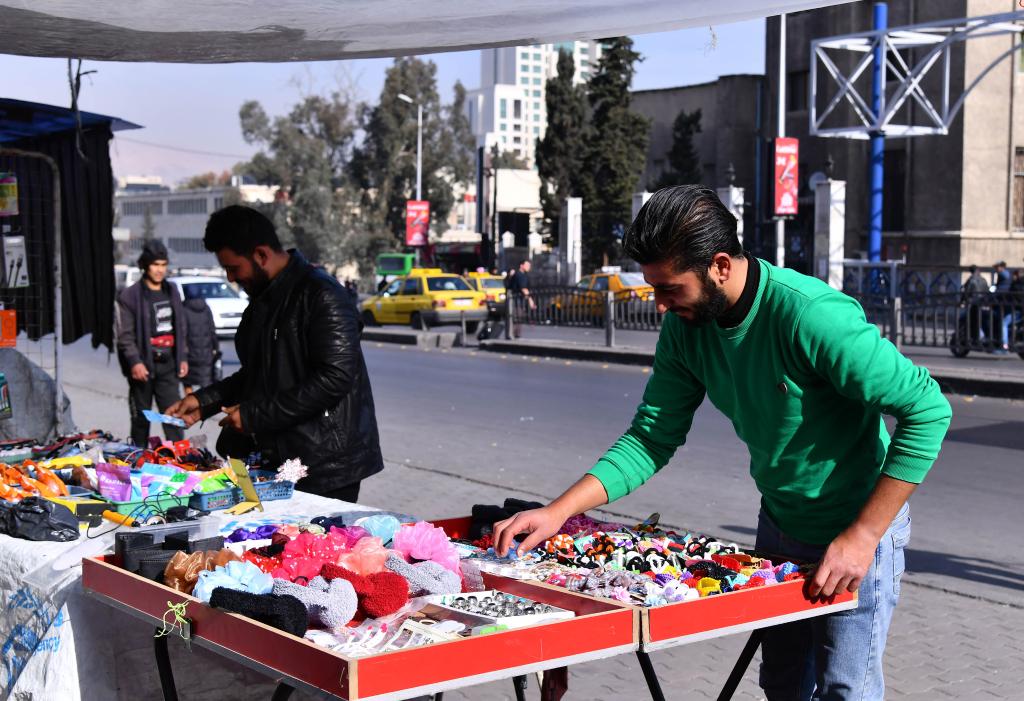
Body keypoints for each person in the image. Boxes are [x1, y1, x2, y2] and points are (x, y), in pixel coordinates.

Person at [493, 186, 952, 700]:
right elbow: (651, 437)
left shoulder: (811, 316)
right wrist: (558, 512)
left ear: (719, 266)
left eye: (670, 289)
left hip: (859, 529)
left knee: (847, 689)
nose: (662, 306)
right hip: (780, 527)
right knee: (782, 685)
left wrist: (864, 536)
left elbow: (928, 409)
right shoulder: (687, 327)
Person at [167, 205, 384, 502]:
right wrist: (204, 402)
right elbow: (258, 373)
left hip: (324, 466)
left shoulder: (322, 295)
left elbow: (334, 377)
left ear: (261, 255)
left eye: (234, 268)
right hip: (277, 456)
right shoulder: (264, 298)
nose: (231, 278)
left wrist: (254, 415)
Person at [115, 240, 188, 447]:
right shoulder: (130, 296)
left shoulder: (172, 290)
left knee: (173, 419)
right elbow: (125, 335)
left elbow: (180, 327)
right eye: (156, 264)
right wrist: (135, 362)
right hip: (143, 367)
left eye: (163, 265)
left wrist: (182, 357)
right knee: (141, 420)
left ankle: (179, 461)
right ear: (146, 265)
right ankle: (139, 459)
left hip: (168, 366)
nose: (160, 270)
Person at [181, 296, 219, 390]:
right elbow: (212, 330)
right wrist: (216, 347)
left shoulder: (183, 309)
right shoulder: (206, 308)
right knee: (206, 384)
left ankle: (189, 403)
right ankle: (206, 404)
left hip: (190, 354)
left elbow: (182, 332)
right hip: (206, 353)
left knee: (187, 382)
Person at [507, 260, 536, 338]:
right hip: (516, 300)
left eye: (529, 266)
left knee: (518, 317)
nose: (529, 267)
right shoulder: (519, 275)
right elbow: (524, 289)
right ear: (521, 265)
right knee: (516, 317)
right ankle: (513, 335)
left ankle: (515, 334)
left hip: (519, 300)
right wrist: (530, 301)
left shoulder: (523, 275)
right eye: (527, 265)